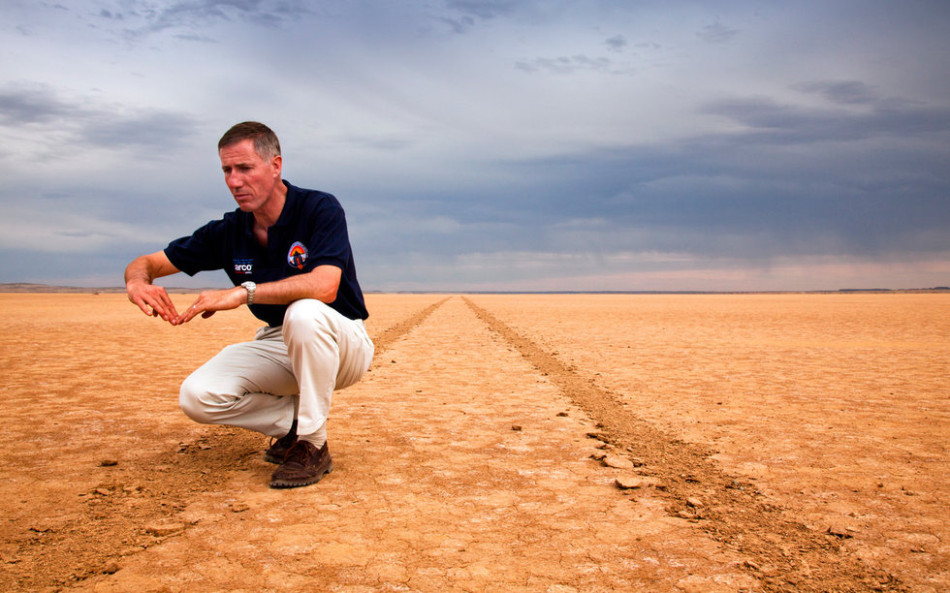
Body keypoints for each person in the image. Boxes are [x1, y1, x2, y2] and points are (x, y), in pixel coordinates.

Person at [124, 121, 374, 489]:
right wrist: (137, 281)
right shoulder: (228, 231)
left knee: (303, 312)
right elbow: (149, 262)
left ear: (275, 166)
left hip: (340, 339)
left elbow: (324, 286)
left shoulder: (318, 208)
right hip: (279, 341)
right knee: (197, 397)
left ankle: (313, 444)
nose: (234, 181)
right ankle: (294, 424)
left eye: (245, 168)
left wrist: (243, 293)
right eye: (227, 170)